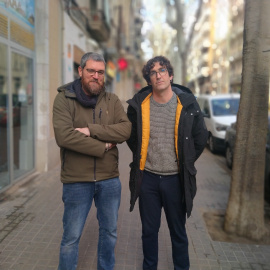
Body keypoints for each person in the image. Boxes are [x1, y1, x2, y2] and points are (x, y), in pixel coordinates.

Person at [126, 56, 208, 270]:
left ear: (171, 76)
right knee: (149, 232)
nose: (158, 75)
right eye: (153, 72)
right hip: (148, 180)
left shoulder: (187, 105)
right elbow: (132, 138)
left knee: (178, 232)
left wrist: (186, 163)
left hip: (175, 180)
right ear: (149, 79)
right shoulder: (139, 105)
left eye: (162, 70)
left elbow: (200, 139)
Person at [53, 52, 131, 270]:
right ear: (80, 71)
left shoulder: (112, 100)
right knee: (71, 238)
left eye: (100, 72)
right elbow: (64, 136)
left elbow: (125, 130)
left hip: (109, 180)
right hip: (76, 180)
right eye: (91, 71)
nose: (96, 76)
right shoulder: (64, 98)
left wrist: (90, 130)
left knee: (110, 233)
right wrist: (103, 145)